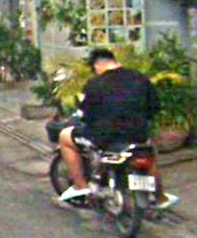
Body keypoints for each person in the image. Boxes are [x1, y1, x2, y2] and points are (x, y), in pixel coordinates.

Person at [58, 48, 179, 209]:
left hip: (105, 137)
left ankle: (81, 186)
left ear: (97, 66)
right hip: (137, 133)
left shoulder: (95, 84)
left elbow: (87, 115)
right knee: (147, 153)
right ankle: (160, 197)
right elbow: (154, 107)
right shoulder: (140, 78)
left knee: (65, 137)